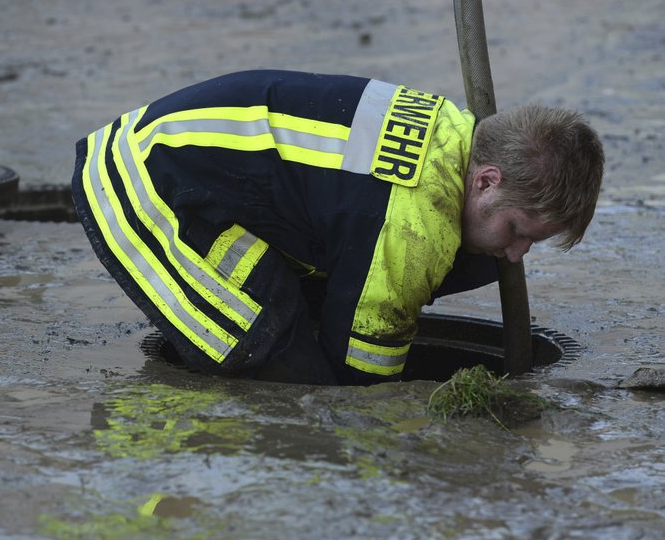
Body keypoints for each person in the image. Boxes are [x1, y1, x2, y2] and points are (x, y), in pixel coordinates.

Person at [71, 70, 604, 385]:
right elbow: (363, 386)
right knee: (280, 364)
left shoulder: (453, 134)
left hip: (189, 163)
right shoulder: (411, 226)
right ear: (486, 181)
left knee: (466, 262)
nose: (518, 255)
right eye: (519, 231)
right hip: (151, 189)